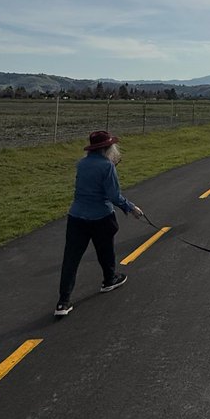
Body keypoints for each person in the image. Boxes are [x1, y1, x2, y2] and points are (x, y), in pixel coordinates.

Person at [55, 130, 143, 317]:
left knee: (71, 258)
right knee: (105, 250)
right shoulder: (107, 167)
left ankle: (63, 302)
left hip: (77, 215)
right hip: (101, 215)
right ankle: (109, 279)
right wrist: (131, 208)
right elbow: (113, 195)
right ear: (107, 148)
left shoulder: (82, 164)